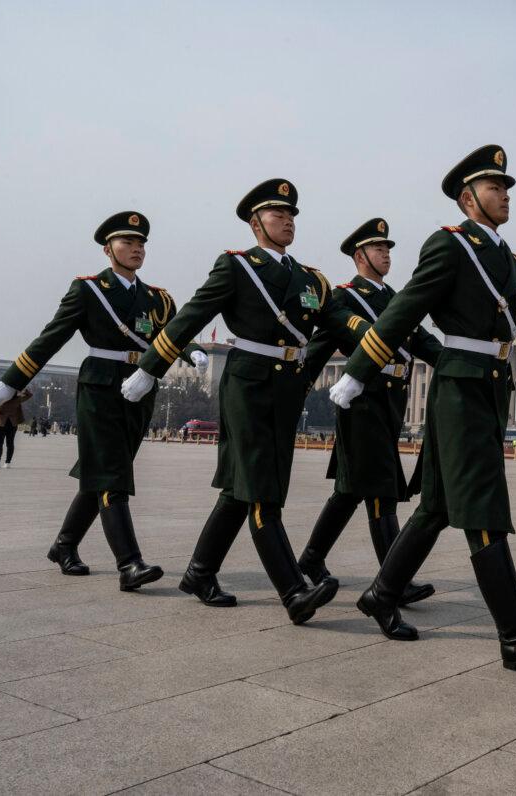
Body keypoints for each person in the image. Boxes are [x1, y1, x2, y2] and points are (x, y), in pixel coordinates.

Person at [330, 146, 516, 670]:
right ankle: (515, 636)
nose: (505, 194)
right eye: (494, 187)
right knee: (482, 505)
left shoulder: (513, 262)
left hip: (491, 386)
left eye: (506, 188)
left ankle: (380, 595)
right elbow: (403, 312)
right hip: (460, 385)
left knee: (438, 505)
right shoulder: (449, 246)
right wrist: (356, 372)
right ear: (467, 198)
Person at [121, 179, 361, 625]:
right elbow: (192, 314)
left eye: (291, 215)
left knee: (241, 489)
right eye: (277, 215)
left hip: (288, 388)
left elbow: (343, 322)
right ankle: (293, 592)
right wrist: (151, 366)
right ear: (256, 224)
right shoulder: (236, 267)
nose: (287, 220)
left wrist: (386, 338)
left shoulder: (311, 279)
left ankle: (199, 572)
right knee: (260, 490)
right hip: (248, 385)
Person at [0, 211, 208, 590]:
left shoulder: (157, 298)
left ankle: (64, 544)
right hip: (100, 388)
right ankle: (130, 564)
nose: (136, 249)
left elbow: (172, 334)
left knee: (102, 474)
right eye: (127, 242)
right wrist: (12, 381)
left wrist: (194, 351)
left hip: (141, 389)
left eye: (141, 244)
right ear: (108, 250)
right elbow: (51, 337)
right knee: (112, 475)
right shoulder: (89, 290)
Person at [300, 218, 443, 605]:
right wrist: (292, 392)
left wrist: (455, 362)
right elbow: (318, 349)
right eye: (379, 249)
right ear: (360, 255)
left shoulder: (398, 299)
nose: (387, 255)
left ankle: (311, 559)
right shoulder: (345, 298)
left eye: (389, 250)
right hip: (361, 401)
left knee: (349, 490)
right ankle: (393, 579)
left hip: (391, 402)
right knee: (381, 488)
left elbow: (425, 342)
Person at [0, 388, 31, 468]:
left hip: (1, 423)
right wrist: (23, 390)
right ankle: (7, 463)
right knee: (10, 444)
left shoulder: (0, 399)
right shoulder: (17, 400)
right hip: (12, 423)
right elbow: (29, 395)